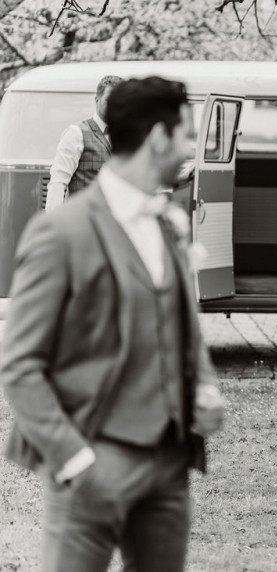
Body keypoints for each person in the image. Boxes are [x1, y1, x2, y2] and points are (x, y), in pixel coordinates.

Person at [1, 76, 225, 571]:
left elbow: (183, 328)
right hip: (92, 464)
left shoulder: (168, 224)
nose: (192, 148)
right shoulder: (60, 233)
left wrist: (204, 388)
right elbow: (19, 367)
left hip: (169, 469)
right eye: (187, 135)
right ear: (159, 138)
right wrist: (78, 462)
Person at [45, 75, 123, 211]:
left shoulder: (126, 136)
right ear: (97, 100)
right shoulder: (76, 133)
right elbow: (58, 183)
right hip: (82, 222)